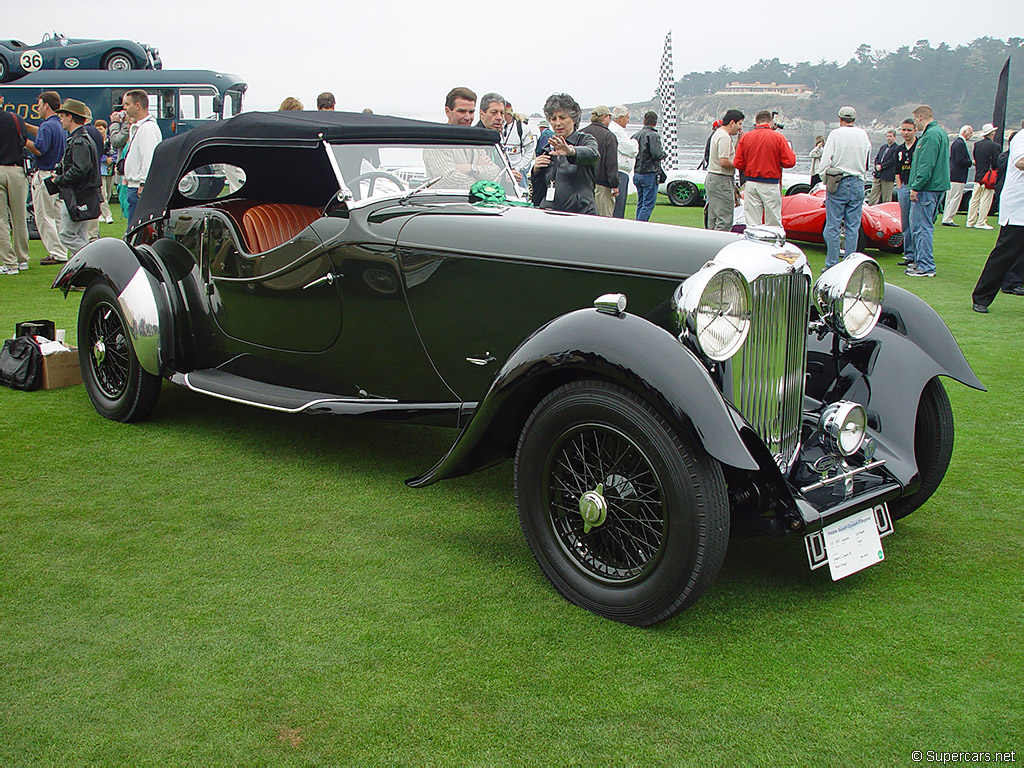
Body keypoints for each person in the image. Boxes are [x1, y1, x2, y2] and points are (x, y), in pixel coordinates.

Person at [970, 129, 1024, 312]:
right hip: (1019, 208)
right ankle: (981, 297)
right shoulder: (1022, 137)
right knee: (1005, 254)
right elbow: (1020, 162)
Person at [817, 106, 871, 269]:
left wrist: (824, 178)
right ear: (854, 119)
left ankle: (832, 263)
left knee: (833, 225)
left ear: (840, 119)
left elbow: (826, 161)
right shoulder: (863, 135)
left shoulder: (835, 134)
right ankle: (849, 264)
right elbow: (867, 158)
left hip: (839, 180)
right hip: (858, 181)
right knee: (852, 226)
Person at [48, 98, 101, 260]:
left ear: (70, 117)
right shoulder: (81, 138)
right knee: (80, 234)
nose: (61, 119)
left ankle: (95, 259)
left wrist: (59, 179)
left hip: (78, 194)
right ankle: (84, 274)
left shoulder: (78, 141)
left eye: (62, 115)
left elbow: (81, 169)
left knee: (67, 234)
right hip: (85, 193)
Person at [529, 92, 599, 215]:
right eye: (553, 119)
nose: (557, 123)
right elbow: (539, 190)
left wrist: (571, 151)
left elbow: (593, 155)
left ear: (573, 119)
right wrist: (535, 170)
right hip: (550, 213)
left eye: (562, 117)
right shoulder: (548, 148)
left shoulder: (585, 140)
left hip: (580, 213)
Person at [423, 87, 503, 189]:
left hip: (475, 203)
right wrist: (482, 177)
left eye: (471, 112)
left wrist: (470, 168)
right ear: (448, 112)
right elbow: (449, 181)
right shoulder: (436, 142)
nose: (467, 117)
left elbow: (496, 176)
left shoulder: (475, 141)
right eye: (461, 111)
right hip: (444, 203)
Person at [732, 109, 796, 228]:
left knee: (752, 222)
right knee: (773, 221)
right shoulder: (778, 137)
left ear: (756, 122)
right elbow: (790, 162)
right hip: (770, 183)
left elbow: (738, 163)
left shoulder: (746, 138)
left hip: (751, 182)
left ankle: (753, 244)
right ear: (770, 122)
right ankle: (772, 244)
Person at [906, 104, 949, 277]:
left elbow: (926, 164)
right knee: (922, 226)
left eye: (916, 119)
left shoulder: (931, 135)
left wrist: (916, 186)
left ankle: (925, 265)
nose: (916, 123)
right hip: (935, 187)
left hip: (927, 189)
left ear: (920, 117)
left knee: (922, 227)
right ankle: (920, 262)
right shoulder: (940, 133)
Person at [26, 90, 67, 265]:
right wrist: (26, 126)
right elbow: (44, 136)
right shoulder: (58, 124)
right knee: (57, 215)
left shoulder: (46, 126)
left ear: (47, 106)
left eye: (40, 105)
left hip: (43, 174)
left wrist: (21, 138)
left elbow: (39, 148)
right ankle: (62, 249)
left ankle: (56, 252)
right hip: (56, 174)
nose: (38, 109)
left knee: (44, 216)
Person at [122, 89, 162, 227]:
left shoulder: (147, 129)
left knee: (137, 229)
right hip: (134, 185)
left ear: (137, 105)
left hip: (139, 188)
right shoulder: (140, 127)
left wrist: (144, 183)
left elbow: (148, 157)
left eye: (127, 104)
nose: (124, 108)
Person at [0, 99, 29, 275]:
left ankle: (9, 262)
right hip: (17, 170)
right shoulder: (15, 118)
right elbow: (23, 140)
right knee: (20, 217)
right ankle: (22, 259)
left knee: (1, 220)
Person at [706, 109, 744, 231]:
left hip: (714, 178)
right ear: (732, 123)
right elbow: (723, 161)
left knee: (713, 216)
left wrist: (738, 141)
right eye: (739, 124)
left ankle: (711, 242)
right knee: (725, 218)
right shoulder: (724, 137)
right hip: (721, 179)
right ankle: (720, 244)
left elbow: (731, 154)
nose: (740, 127)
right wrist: (740, 164)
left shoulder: (719, 134)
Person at [580, 106, 619, 217]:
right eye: (609, 117)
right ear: (604, 117)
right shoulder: (609, 136)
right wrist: (614, 184)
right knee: (603, 218)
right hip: (602, 185)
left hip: (581, 184)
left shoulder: (581, 133)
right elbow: (611, 163)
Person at [966, 123, 999, 230]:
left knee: (974, 199)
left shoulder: (977, 145)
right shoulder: (995, 146)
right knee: (986, 199)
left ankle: (970, 221)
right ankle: (981, 221)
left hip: (978, 175)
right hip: (988, 177)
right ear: (992, 133)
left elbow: (977, 160)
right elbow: (995, 163)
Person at [894, 118, 918, 268]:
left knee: (915, 221)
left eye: (909, 130)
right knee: (905, 223)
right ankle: (909, 253)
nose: (906, 133)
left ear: (915, 130)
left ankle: (918, 253)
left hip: (915, 187)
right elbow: (897, 169)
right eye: (903, 130)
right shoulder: (899, 149)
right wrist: (900, 185)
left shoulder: (919, 147)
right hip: (903, 186)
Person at [632, 111, 663, 222]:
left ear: (644, 121)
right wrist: (663, 154)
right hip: (649, 172)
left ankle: (638, 223)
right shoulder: (653, 135)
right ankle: (640, 226)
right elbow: (656, 154)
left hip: (637, 172)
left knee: (641, 202)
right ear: (655, 122)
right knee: (648, 204)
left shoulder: (636, 135)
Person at [609, 105, 638, 219]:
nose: (628, 120)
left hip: (622, 171)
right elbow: (632, 150)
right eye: (627, 117)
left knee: (619, 205)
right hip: (619, 171)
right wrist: (635, 142)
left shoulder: (618, 130)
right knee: (618, 206)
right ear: (620, 118)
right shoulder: (616, 130)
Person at [941, 125, 973, 226]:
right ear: (965, 132)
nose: (971, 135)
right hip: (958, 176)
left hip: (953, 174)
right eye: (970, 132)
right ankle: (948, 218)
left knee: (950, 197)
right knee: (955, 197)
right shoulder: (960, 143)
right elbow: (960, 160)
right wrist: (971, 162)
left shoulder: (956, 143)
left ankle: (946, 217)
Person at [501, 103, 534, 190]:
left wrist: (519, 168)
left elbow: (529, 151)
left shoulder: (523, 128)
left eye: (501, 113)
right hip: (501, 173)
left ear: (507, 114)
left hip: (518, 172)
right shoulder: (497, 128)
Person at [867, 130, 899, 205]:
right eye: (887, 136)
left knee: (886, 197)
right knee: (873, 195)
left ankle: (886, 212)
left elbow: (893, 160)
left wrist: (882, 166)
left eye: (891, 136)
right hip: (878, 174)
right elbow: (877, 158)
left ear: (894, 137)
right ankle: (871, 209)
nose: (889, 138)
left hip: (888, 175)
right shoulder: (883, 147)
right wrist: (877, 165)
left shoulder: (897, 148)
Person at [94, 119, 115, 225]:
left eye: (101, 129)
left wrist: (112, 159)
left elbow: (115, 152)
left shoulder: (110, 141)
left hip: (110, 170)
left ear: (105, 129)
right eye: (97, 129)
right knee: (103, 194)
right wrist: (104, 159)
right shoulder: (95, 142)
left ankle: (100, 213)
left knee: (108, 193)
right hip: (100, 170)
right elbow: (96, 154)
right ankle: (108, 215)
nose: (99, 131)